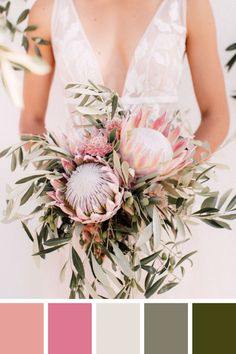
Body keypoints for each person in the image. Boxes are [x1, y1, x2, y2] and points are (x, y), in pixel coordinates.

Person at [20, 0, 231, 298]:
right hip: (84, 225)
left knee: (168, 336)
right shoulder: (47, 10)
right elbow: (31, 119)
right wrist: (71, 194)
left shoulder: (189, 5)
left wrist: (170, 180)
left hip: (163, 221)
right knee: (84, 338)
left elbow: (216, 115)